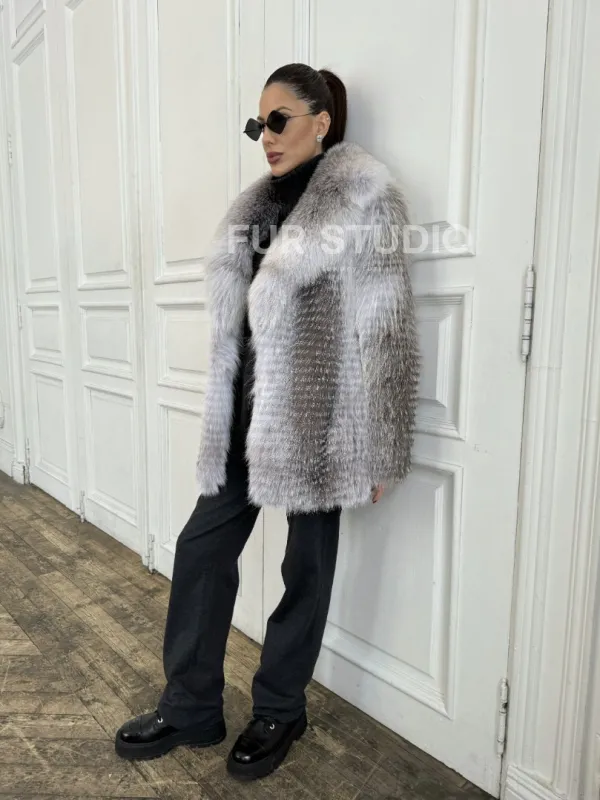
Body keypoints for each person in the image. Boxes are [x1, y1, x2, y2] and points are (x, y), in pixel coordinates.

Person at [114, 62, 420, 781]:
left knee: (304, 567)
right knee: (200, 550)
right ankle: (191, 705)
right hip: (245, 413)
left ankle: (281, 708)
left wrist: (385, 444)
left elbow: (388, 323)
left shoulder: (365, 199)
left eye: (278, 120)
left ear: (322, 121)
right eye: (258, 124)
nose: (266, 136)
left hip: (320, 419)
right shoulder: (254, 207)